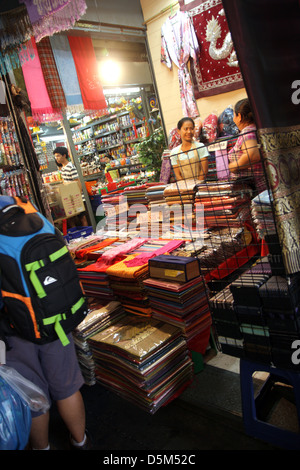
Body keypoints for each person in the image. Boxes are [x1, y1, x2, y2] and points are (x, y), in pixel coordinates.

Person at [228, 98, 267, 193]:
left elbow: (253, 155)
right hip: (258, 186)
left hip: (253, 189)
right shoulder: (257, 129)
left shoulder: (248, 131)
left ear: (239, 116)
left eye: (234, 115)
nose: (233, 119)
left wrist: (233, 166)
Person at [53, 146, 88, 227]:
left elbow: (77, 182)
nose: (56, 158)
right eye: (55, 156)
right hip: (69, 197)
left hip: (76, 197)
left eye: (58, 156)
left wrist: (78, 196)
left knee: (82, 218)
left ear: (64, 155)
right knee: (70, 218)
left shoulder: (70, 167)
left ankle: (88, 234)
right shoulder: (62, 168)